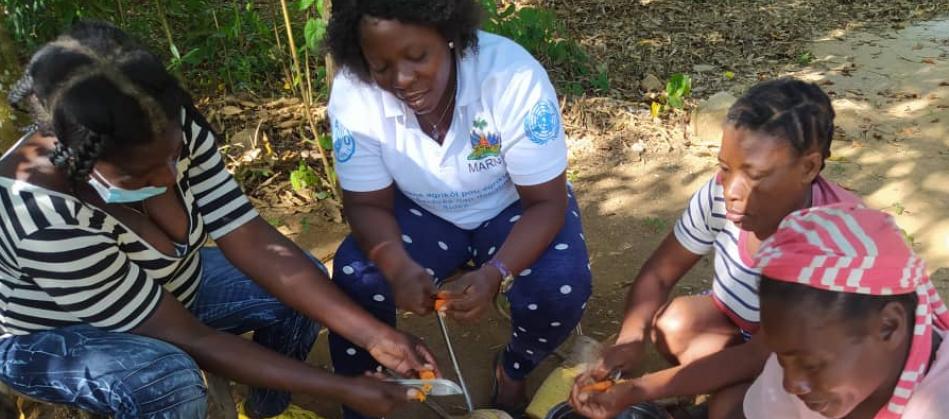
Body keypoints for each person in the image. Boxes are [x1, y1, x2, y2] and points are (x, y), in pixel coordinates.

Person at [0, 22, 437, 419]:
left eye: (174, 157)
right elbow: (191, 338)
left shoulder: (162, 122)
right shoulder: (41, 213)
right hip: (54, 334)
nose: (170, 177)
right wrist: (343, 387)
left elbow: (245, 233)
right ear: (80, 158)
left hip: (171, 287)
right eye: (141, 174)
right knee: (165, 380)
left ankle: (267, 408)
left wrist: (374, 336)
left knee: (300, 284)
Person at [324, 0, 592, 416]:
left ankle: (514, 368)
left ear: (449, 34)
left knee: (561, 284)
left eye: (418, 57)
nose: (402, 79)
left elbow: (545, 202)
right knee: (356, 275)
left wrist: (495, 272)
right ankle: (363, 400)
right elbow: (366, 205)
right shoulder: (354, 92)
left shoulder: (510, 76)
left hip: (514, 207)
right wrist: (396, 265)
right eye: (381, 67)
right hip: (418, 212)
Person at [570, 78, 861, 419]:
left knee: (729, 409)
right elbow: (659, 274)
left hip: (812, 365)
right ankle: (724, 390)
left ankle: (732, 399)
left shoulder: (830, 245)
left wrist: (638, 389)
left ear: (808, 168)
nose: (731, 189)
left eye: (754, 174)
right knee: (673, 324)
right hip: (744, 330)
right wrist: (631, 338)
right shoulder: (722, 194)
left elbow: (758, 355)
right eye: (726, 167)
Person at [744, 203, 949, 419]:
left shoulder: (938, 405)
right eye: (781, 360)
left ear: (889, 326)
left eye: (812, 365)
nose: (791, 385)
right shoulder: (800, 354)